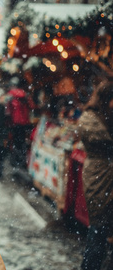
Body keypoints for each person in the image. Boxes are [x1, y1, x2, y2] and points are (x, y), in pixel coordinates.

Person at [77, 80, 113, 270]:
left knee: (99, 233)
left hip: (103, 175)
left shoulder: (105, 117)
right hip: (100, 179)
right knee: (98, 232)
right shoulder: (93, 121)